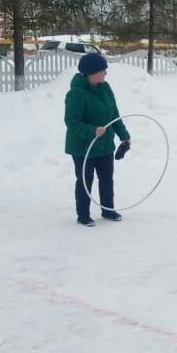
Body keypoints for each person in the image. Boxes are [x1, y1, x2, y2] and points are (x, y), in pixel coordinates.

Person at [64, 52, 130, 227]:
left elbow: (114, 115)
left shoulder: (106, 88)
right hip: (83, 147)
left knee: (107, 178)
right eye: (102, 71)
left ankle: (108, 210)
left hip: (105, 145)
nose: (105, 74)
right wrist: (92, 130)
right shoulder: (76, 94)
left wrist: (124, 136)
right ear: (90, 73)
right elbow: (72, 122)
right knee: (85, 181)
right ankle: (83, 215)